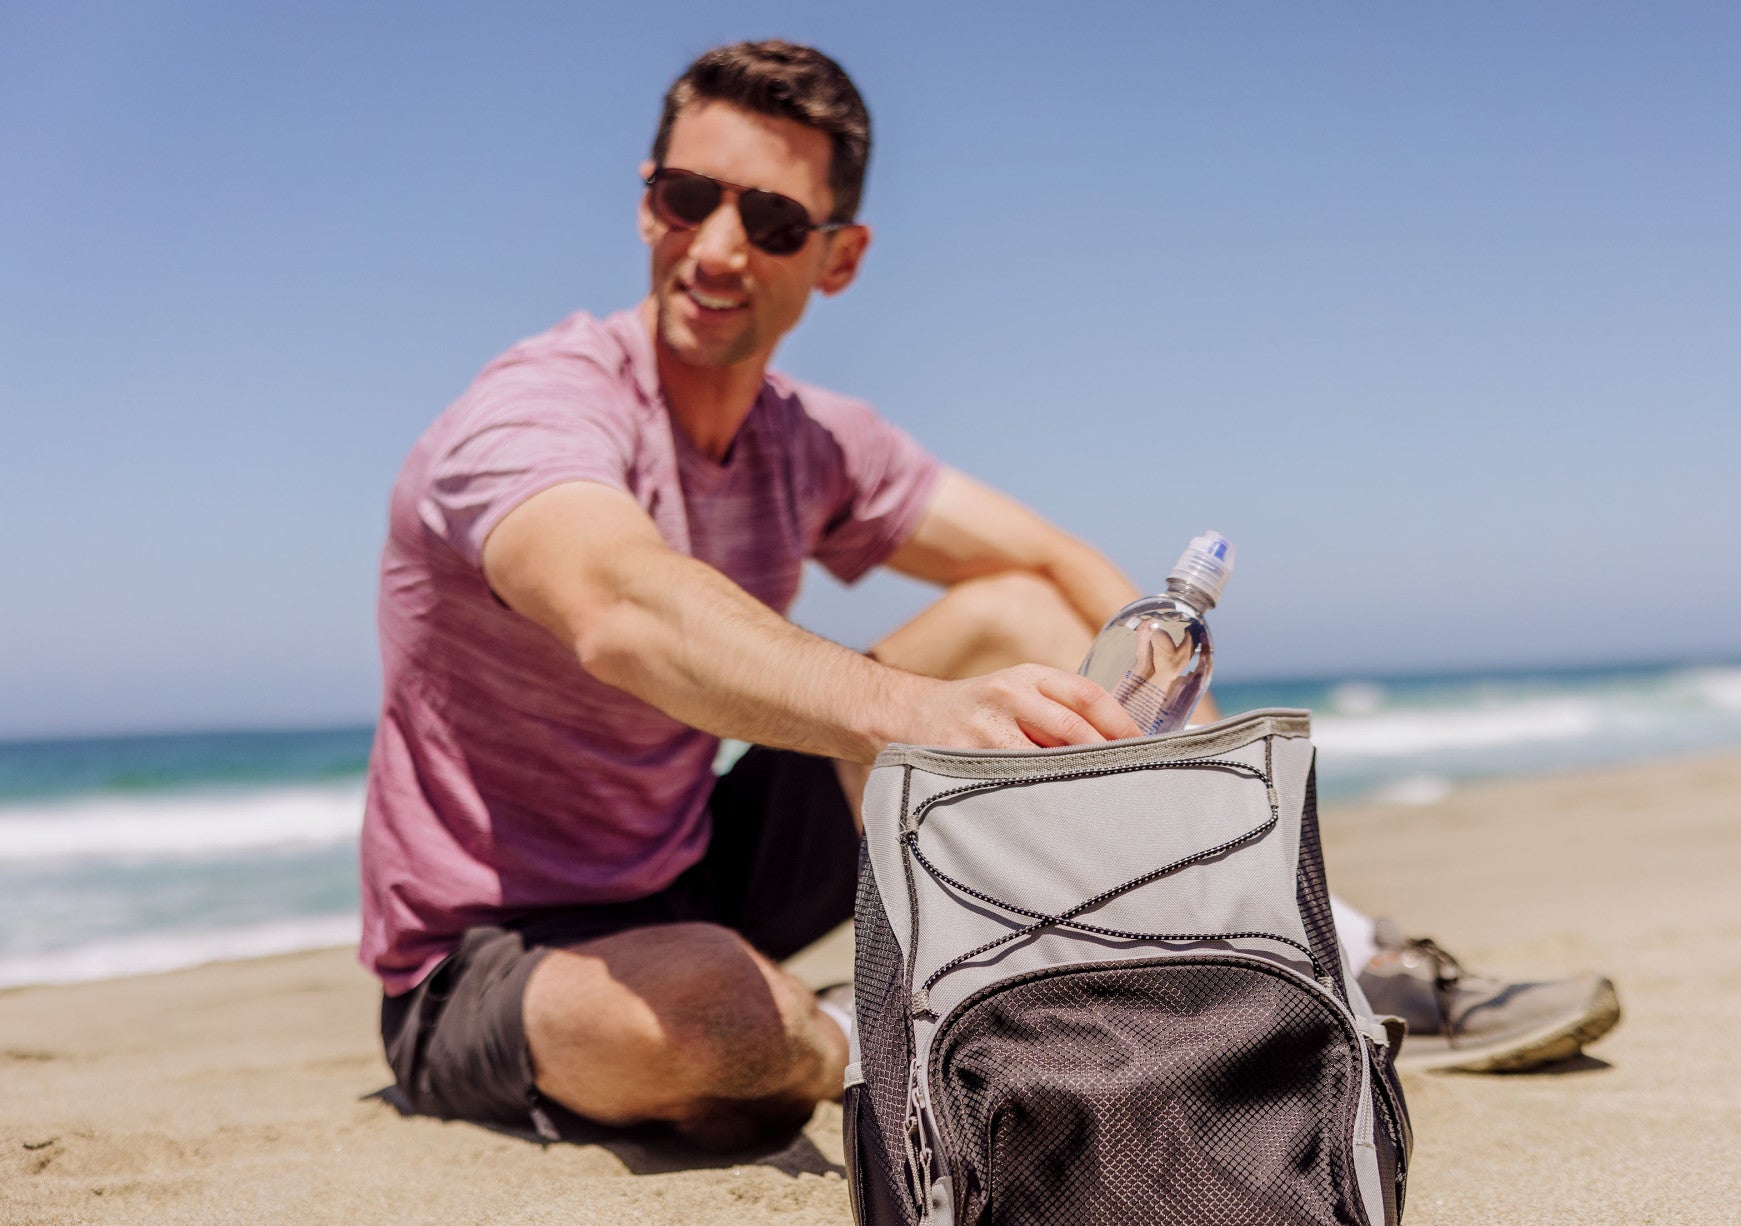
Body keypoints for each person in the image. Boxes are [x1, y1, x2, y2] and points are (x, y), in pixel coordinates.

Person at [362, 40, 1618, 1150]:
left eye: (773, 220)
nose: (719, 248)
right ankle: (911, 1018)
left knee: (1018, 613)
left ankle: (1325, 955)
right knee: (725, 1026)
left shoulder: (809, 438)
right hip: (491, 946)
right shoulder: (532, 414)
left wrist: (1180, 764)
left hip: (695, 858)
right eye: (688, 199)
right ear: (647, 204)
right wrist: (906, 709)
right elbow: (620, 606)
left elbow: (1062, 568)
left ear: (838, 258)